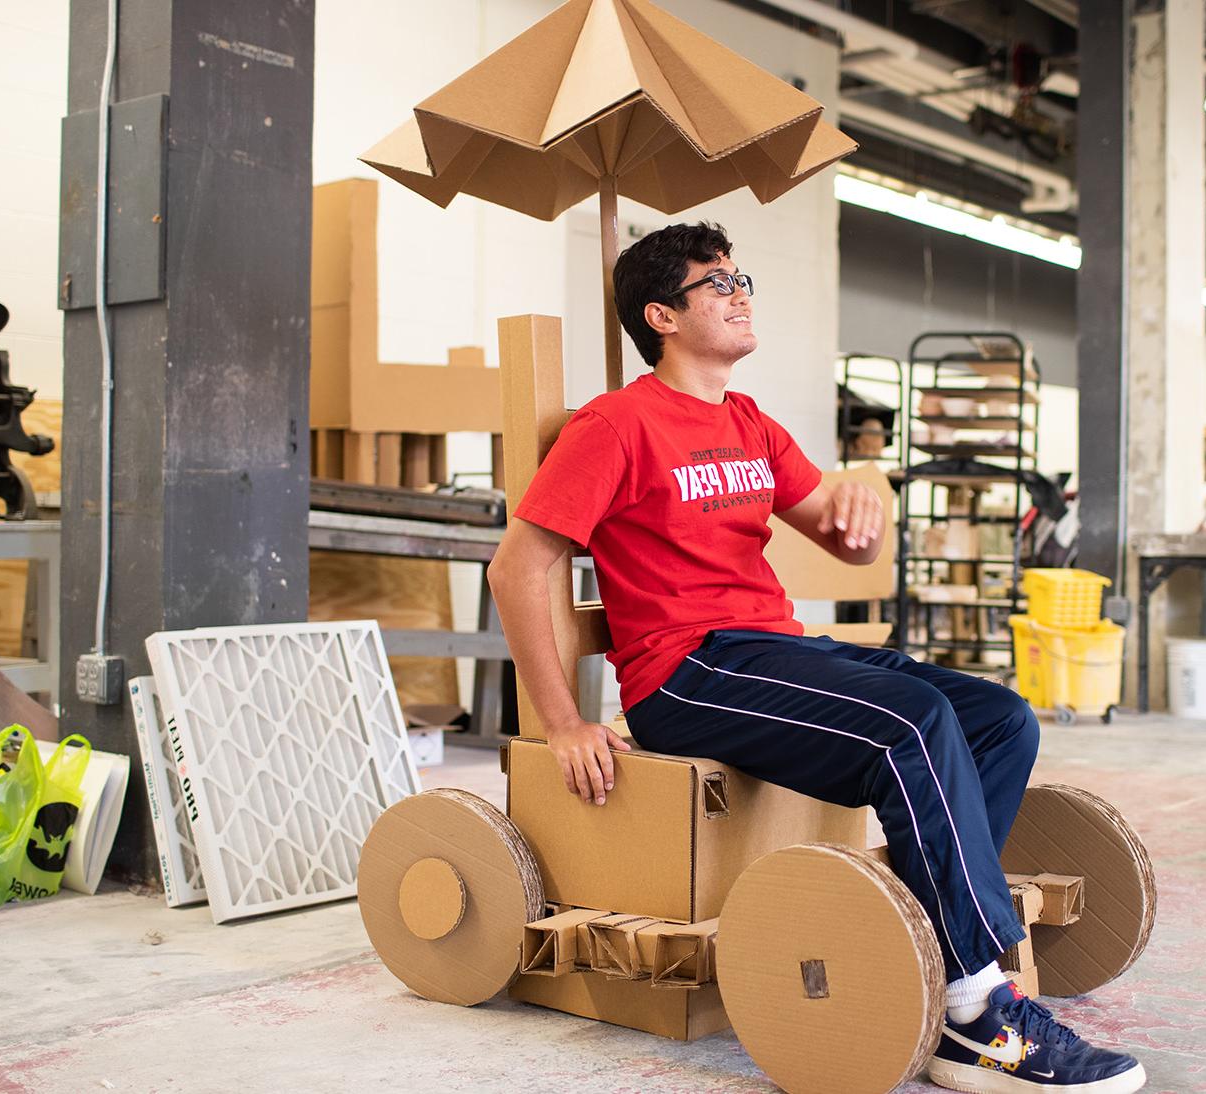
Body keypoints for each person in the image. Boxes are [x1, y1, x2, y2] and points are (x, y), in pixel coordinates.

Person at [489, 222, 1145, 1094]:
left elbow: (834, 531)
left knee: (999, 718)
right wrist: (564, 720)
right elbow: (516, 567)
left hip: (774, 649)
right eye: (715, 284)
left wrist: (855, 518)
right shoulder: (617, 425)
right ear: (661, 316)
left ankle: (928, 947)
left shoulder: (750, 422)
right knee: (910, 727)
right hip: (690, 671)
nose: (739, 291)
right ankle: (978, 1016)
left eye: (740, 276)